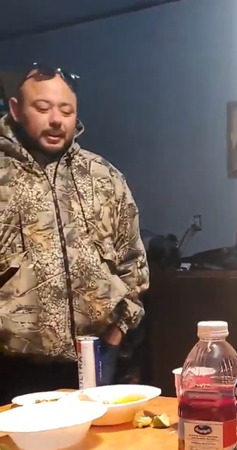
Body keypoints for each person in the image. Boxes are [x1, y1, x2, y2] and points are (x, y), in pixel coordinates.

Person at [0, 63, 149, 403]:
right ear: (16, 110)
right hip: (13, 370)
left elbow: (134, 265)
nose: (56, 120)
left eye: (66, 111)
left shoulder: (103, 177)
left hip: (98, 358)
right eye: (42, 108)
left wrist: (117, 332)